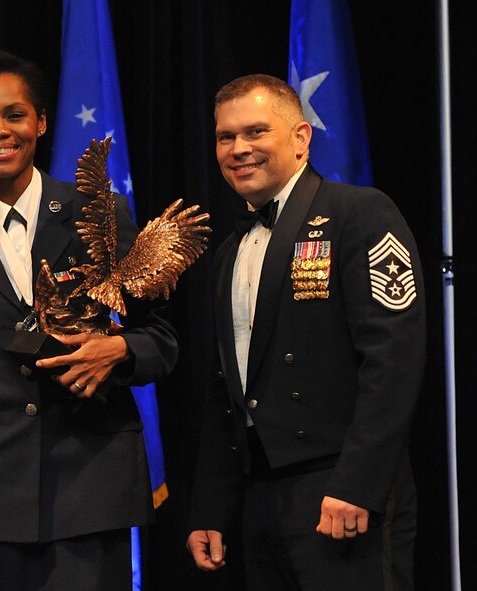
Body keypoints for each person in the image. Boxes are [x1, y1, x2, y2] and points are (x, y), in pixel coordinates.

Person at [0, 49, 178, 591]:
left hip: (89, 484)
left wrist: (119, 350)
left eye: (14, 114)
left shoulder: (96, 212)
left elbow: (162, 336)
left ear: (40, 123)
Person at [186, 74, 425, 589]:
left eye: (255, 132)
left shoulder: (357, 213)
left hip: (342, 489)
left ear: (300, 138)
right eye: (226, 137)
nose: (239, 149)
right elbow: (223, 387)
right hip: (260, 497)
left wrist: (358, 483)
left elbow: (393, 361)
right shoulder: (229, 252)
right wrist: (211, 504)